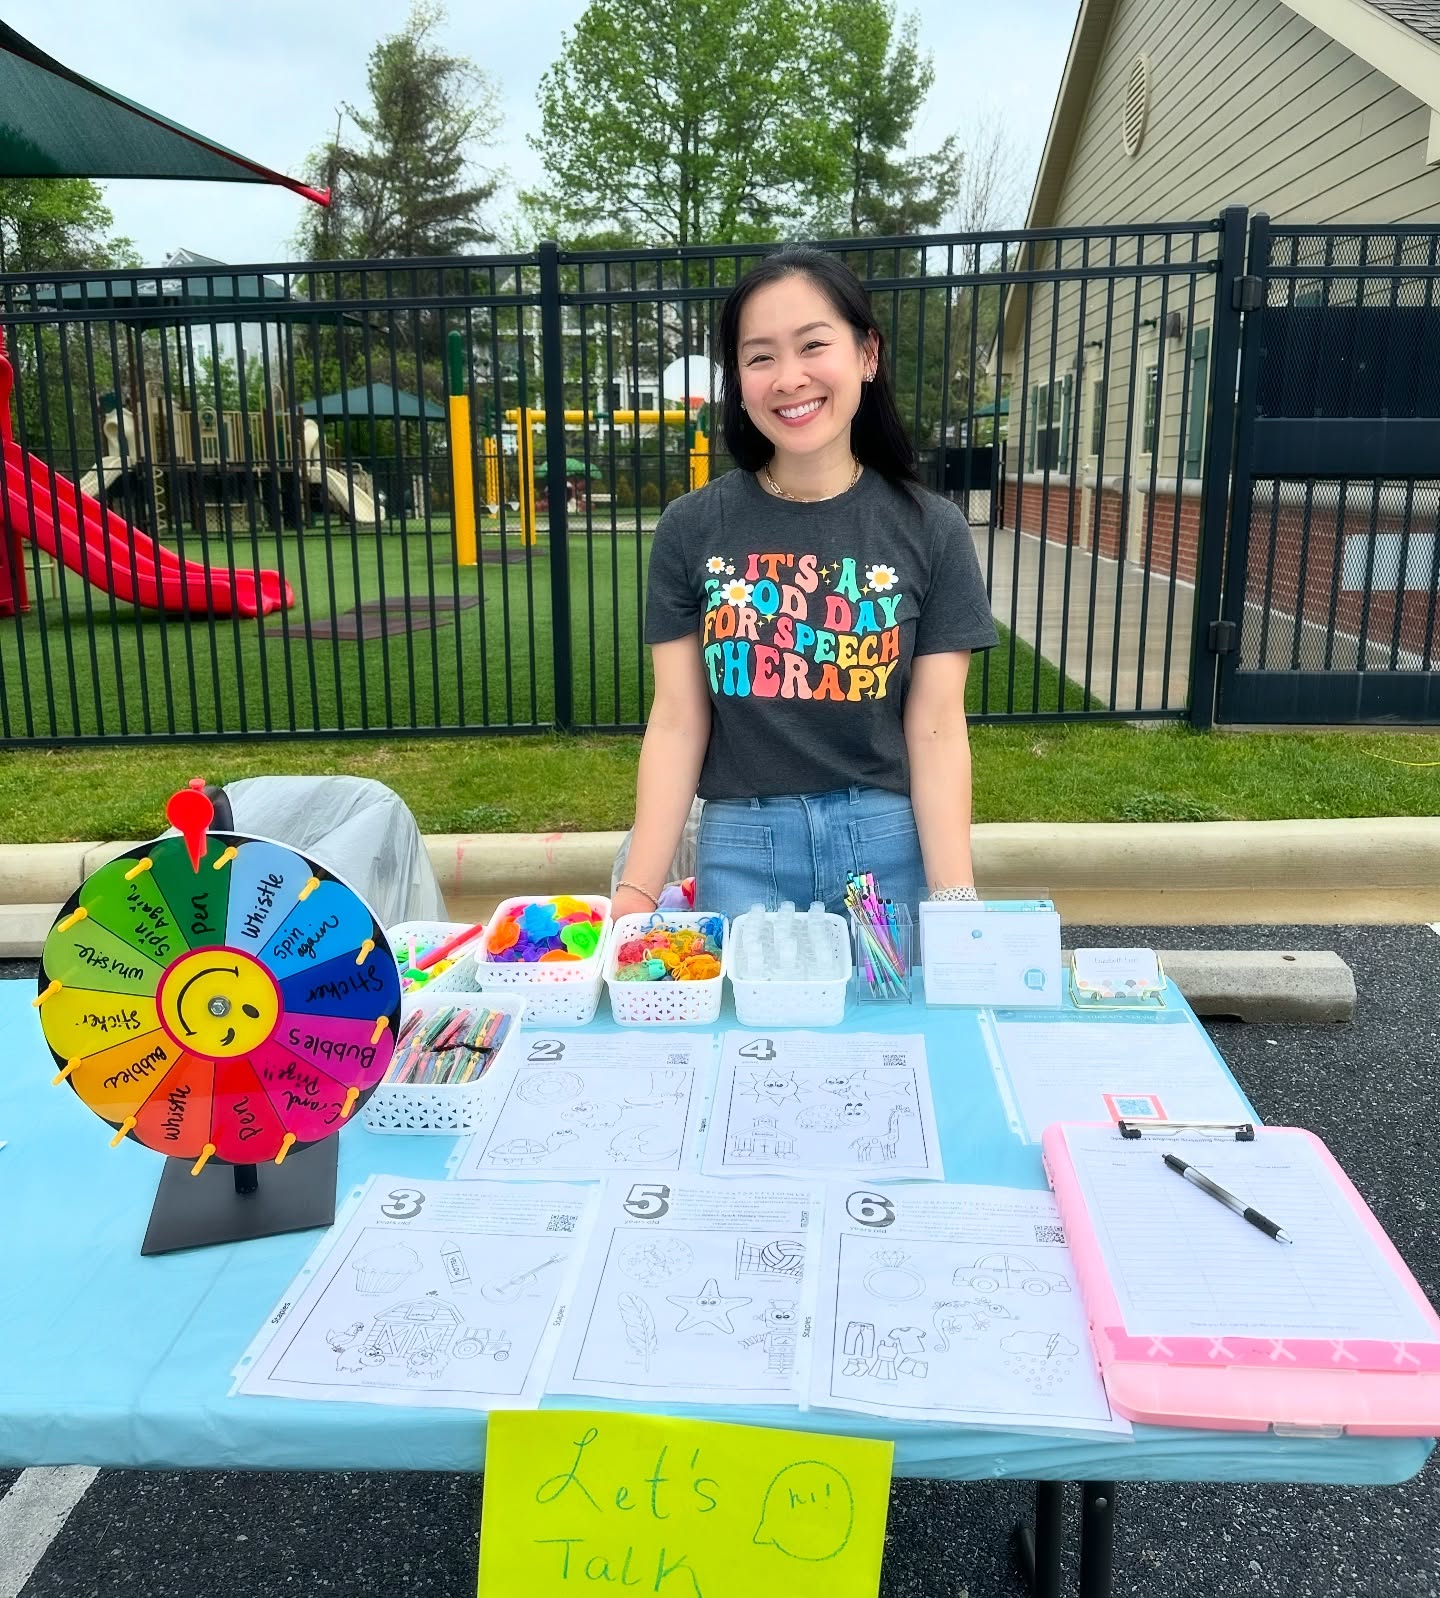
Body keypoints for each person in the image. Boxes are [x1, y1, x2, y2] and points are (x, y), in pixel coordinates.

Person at [610, 246, 997, 927]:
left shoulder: (931, 529)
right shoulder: (691, 527)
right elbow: (676, 720)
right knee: (741, 1033)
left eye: (813, 345)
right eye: (760, 357)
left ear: (866, 355)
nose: (789, 378)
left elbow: (936, 728)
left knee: (890, 1030)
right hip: (739, 845)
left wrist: (956, 903)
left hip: (886, 844)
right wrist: (636, 895)